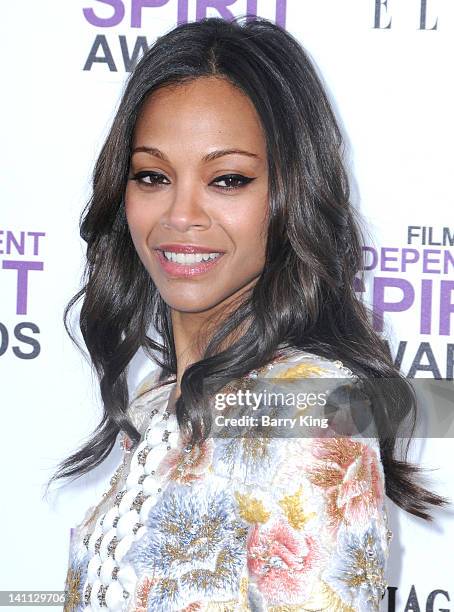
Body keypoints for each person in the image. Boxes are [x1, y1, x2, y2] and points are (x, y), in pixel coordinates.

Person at [52, 15, 450, 611]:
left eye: (228, 179)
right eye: (153, 175)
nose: (180, 215)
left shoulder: (313, 409)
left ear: (291, 193)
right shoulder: (156, 400)